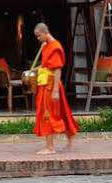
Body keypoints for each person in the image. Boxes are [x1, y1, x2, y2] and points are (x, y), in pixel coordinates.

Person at [33, 23, 78, 154]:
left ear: (44, 32)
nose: (38, 38)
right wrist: (34, 70)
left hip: (51, 85)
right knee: (61, 112)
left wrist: (55, 91)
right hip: (46, 83)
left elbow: (57, 69)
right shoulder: (46, 46)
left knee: (47, 113)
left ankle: (50, 147)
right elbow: (47, 65)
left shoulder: (55, 46)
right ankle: (69, 136)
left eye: (38, 36)